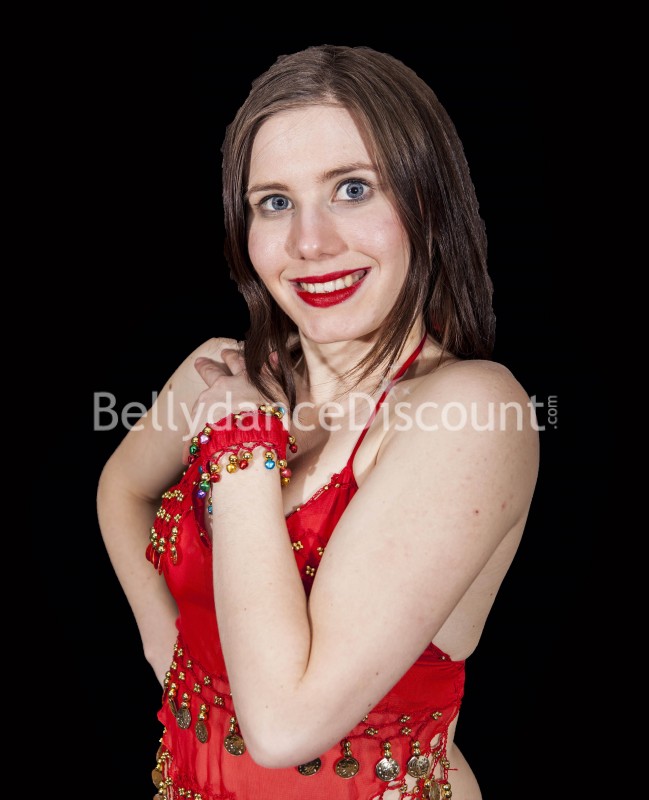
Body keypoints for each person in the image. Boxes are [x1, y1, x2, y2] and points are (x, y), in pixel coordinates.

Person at [97, 43, 539, 800]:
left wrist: (238, 443)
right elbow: (121, 491)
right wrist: (165, 646)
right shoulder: (224, 370)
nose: (309, 242)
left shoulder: (473, 411)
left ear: (427, 203)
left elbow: (284, 729)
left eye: (353, 189)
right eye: (274, 202)